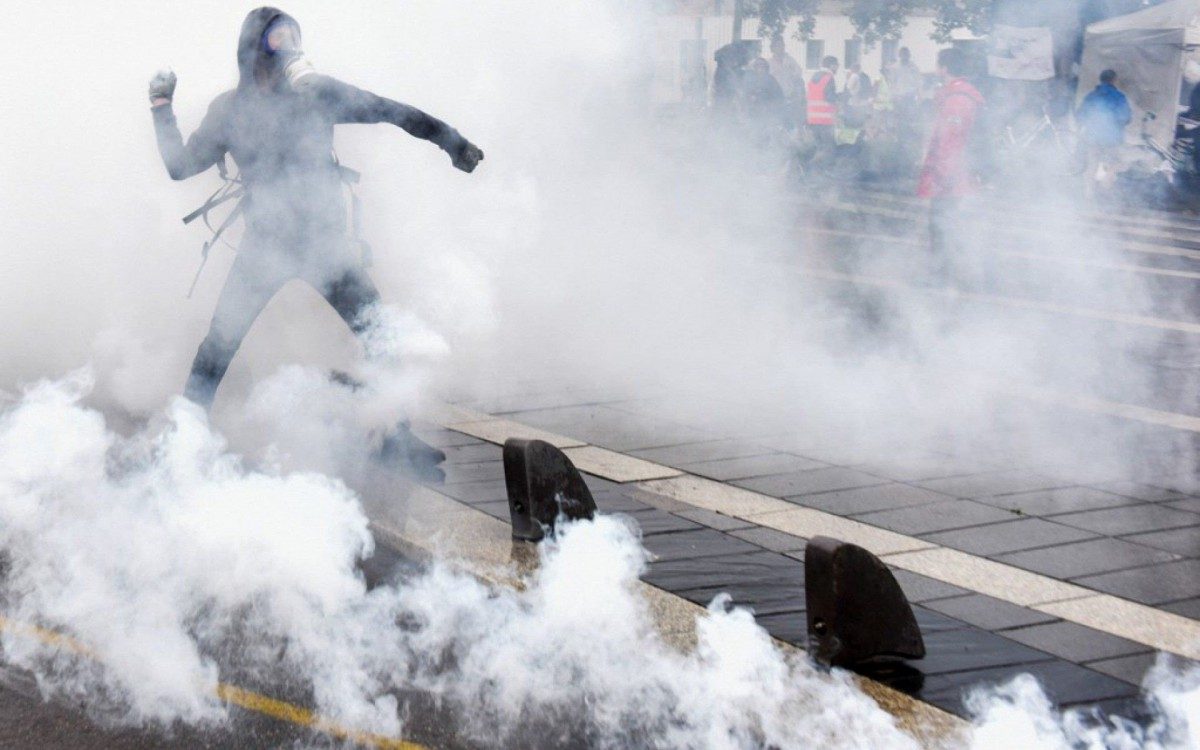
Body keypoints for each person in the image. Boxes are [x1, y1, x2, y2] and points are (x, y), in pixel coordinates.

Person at [149, 7, 483, 474]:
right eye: (276, 38)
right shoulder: (230, 110)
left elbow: (392, 111)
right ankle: (181, 440)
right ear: (252, 50)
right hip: (266, 247)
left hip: (325, 247)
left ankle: (394, 437)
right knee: (218, 346)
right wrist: (161, 108)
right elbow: (181, 166)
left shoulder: (317, 92)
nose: (288, 47)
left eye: (293, 37)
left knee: (382, 336)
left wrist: (452, 141)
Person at [917, 48, 984, 281]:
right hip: (954, 175)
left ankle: (941, 273)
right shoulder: (958, 95)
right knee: (944, 224)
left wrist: (942, 174)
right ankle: (944, 269)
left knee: (942, 225)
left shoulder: (957, 99)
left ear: (943, 68)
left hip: (950, 177)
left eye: (937, 65)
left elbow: (950, 140)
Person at [1076, 69, 1131, 197]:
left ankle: (1088, 193)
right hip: (1112, 138)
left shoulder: (1091, 96)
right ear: (1114, 80)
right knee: (1114, 163)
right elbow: (1126, 117)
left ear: (1100, 80)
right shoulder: (1119, 97)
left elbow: (1080, 115)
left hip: (1093, 136)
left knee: (1092, 163)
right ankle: (1106, 190)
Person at [807, 56, 840, 162]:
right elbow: (829, 97)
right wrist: (839, 98)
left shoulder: (814, 76)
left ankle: (815, 171)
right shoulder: (828, 77)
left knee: (820, 147)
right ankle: (815, 167)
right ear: (832, 65)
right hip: (825, 120)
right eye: (837, 65)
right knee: (828, 148)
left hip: (813, 119)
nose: (838, 68)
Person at [767, 35, 805, 127]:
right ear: (772, 48)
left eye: (782, 45)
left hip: (789, 98)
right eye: (778, 45)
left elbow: (798, 74)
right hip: (774, 99)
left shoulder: (790, 61)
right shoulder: (768, 63)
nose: (781, 48)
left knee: (790, 124)